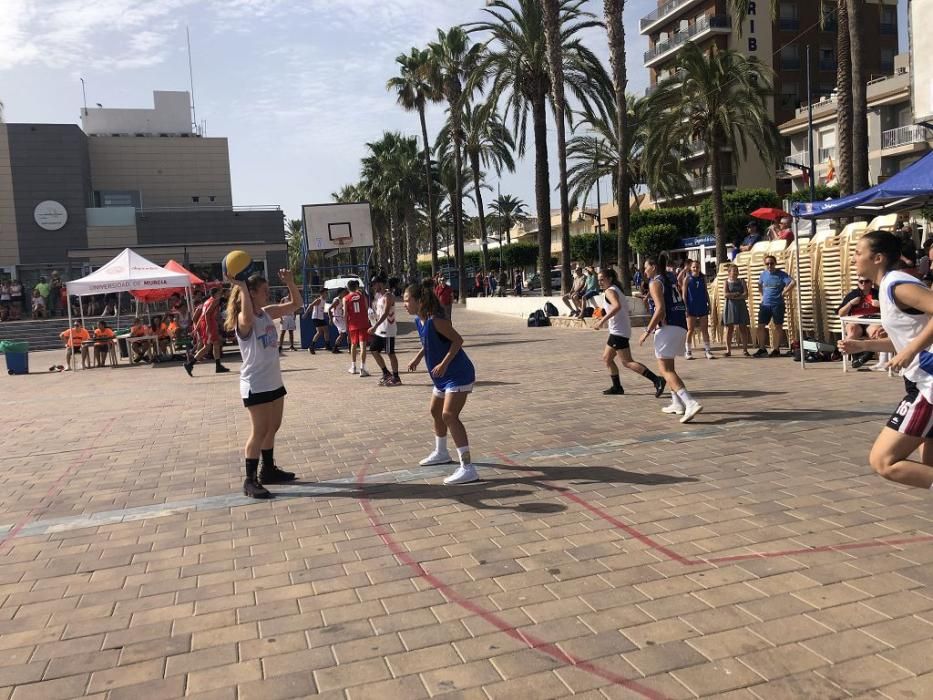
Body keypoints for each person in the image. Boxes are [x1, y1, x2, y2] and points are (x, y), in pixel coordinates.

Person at [837, 231, 933, 491]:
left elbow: (912, 344)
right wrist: (863, 345)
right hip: (920, 380)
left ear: (877, 258)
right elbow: (908, 339)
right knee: (929, 471)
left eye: (858, 253)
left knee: (884, 461)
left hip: (928, 384)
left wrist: (910, 351)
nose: (853, 258)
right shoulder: (889, 287)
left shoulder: (897, 284)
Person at [226, 269, 301, 499]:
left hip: (273, 382)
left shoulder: (267, 313)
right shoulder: (243, 319)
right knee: (259, 431)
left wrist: (290, 282)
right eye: (264, 291)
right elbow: (247, 319)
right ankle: (250, 480)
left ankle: (268, 470)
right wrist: (240, 286)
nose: (268, 294)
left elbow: (296, 304)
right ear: (252, 293)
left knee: (273, 427)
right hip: (255, 384)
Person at [405, 283, 478, 485]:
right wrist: (418, 358)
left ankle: (468, 467)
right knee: (435, 411)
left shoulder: (436, 321)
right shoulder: (419, 321)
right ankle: (441, 452)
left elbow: (458, 340)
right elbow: (427, 343)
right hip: (441, 378)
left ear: (419, 301)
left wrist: (444, 363)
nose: (404, 304)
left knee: (449, 415)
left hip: (458, 374)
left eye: (406, 299)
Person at [639, 256, 703, 423]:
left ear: (653, 266)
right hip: (680, 324)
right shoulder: (670, 278)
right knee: (669, 368)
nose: (644, 271)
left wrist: (647, 330)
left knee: (665, 370)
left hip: (667, 327)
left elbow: (660, 309)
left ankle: (690, 402)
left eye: (646, 267)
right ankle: (677, 403)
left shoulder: (655, 282)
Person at [594, 267, 666, 397]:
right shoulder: (616, 289)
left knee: (627, 362)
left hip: (618, 332)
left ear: (609, 279)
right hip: (619, 330)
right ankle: (617, 387)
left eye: (602, 280)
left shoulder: (610, 291)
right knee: (607, 358)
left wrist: (601, 321)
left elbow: (617, 306)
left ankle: (657, 380)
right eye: (598, 280)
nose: (600, 282)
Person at [837, 276, 884, 369]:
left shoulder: (878, 293)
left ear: (871, 283)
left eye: (866, 281)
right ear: (857, 283)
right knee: (852, 329)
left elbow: (891, 309)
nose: (863, 284)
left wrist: (880, 304)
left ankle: (873, 356)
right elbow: (840, 313)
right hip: (856, 322)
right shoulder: (853, 294)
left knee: (875, 332)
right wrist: (850, 303)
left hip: (872, 321)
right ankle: (855, 356)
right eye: (861, 281)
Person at [754, 255, 796, 357]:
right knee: (760, 326)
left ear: (775, 263)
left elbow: (793, 282)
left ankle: (776, 349)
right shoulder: (763, 274)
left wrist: (784, 292)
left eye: (771, 263)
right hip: (765, 304)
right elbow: (759, 285)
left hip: (777, 304)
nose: (769, 265)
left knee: (778, 326)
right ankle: (762, 348)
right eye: (767, 263)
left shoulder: (781, 274)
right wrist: (761, 296)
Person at [185, 286, 230, 375]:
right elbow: (207, 314)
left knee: (214, 344)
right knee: (208, 347)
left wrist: (197, 328)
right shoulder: (215, 301)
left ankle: (218, 365)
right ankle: (190, 364)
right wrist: (209, 329)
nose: (221, 294)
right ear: (215, 293)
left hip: (205, 324)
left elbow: (202, 315)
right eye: (219, 292)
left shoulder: (207, 301)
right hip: (209, 324)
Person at [368, 276, 401, 386]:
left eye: (374, 284)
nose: (373, 287)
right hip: (380, 329)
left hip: (388, 329)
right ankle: (386, 373)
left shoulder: (389, 296)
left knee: (390, 353)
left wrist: (375, 326)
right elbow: (379, 313)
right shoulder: (379, 297)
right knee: (373, 349)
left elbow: (386, 313)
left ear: (379, 283)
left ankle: (396, 377)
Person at [682, 260, 715, 360]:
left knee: (704, 329)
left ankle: (707, 350)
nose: (696, 269)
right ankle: (688, 351)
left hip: (702, 305)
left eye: (697, 267)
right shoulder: (687, 278)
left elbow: (705, 291)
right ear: (690, 268)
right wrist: (686, 307)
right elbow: (684, 295)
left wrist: (709, 304)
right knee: (690, 330)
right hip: (691, 306)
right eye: (694, 267)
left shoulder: (702, 278)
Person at [722, 264, 751, 357]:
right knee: (729, 328)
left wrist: (734, 296)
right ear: (729, 272)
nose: (735, 273)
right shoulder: (726, 282)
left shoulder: (742, 281)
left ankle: (745, 349)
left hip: (741, 306)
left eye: (736, 271)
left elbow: (746, 294)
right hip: (730, 306)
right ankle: (728, 350)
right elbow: (725, 294)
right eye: (733, 271)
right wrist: (737, 294)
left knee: (743, 327)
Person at [344, 279, 371, 376]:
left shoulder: (346, 298)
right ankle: (362, 368)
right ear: (356, 287)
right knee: (363, 345)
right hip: (363, 323)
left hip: (353, 324)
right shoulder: (362, 296)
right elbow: (367, 308)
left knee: (353, 345)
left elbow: (345, 314)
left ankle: (353, 366)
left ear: (347, 288)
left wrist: (346, 325)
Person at [303, 290, 329, 354]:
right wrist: (305, 314)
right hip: (316, 317)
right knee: (319, 332)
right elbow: (310, 306)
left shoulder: (324, 300)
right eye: (326, 293)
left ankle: (327, 345)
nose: (327, 294)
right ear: (322, 293)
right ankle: (311, 347)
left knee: (326, 330)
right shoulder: (318, 300)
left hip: (321, 318)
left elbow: (321, 309)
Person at [329, 288, 347, 353]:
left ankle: (335, 348)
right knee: (346, 332)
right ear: (340, 293)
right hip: (337, 318)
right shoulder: (337, 300)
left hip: (339, 318)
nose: (345, 293)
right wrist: (330, 319)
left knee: (342, 334)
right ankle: (350, 347)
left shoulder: (341, 299)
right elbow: (329, 309)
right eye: (344, 292)